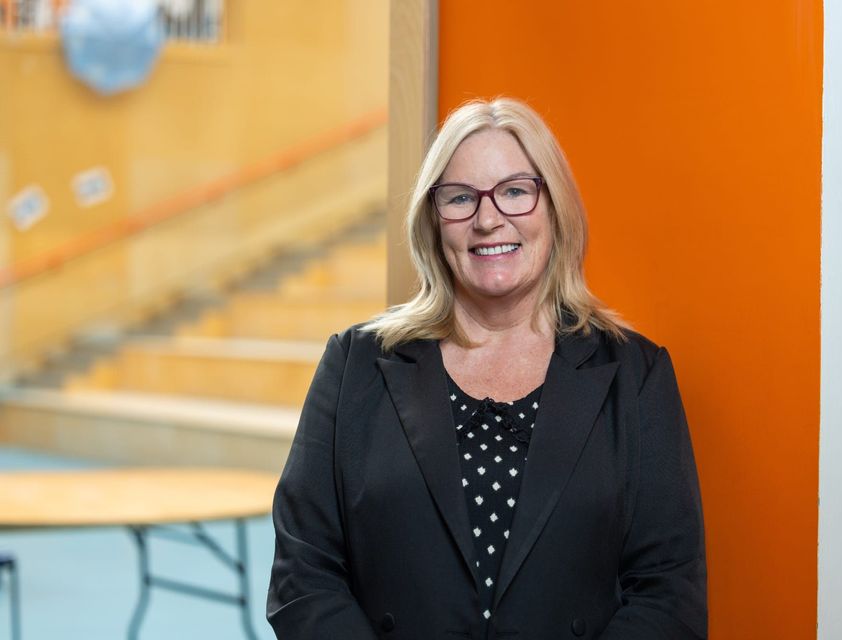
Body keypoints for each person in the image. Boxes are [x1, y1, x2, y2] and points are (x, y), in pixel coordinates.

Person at [267, 97, 707, 639]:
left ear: (555, 208)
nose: (488, 219)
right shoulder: (355, 363)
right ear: (434, 220)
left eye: (516, 191)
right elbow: (302, 576)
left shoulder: (636, 374)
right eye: (460, 198)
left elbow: (669, 590)